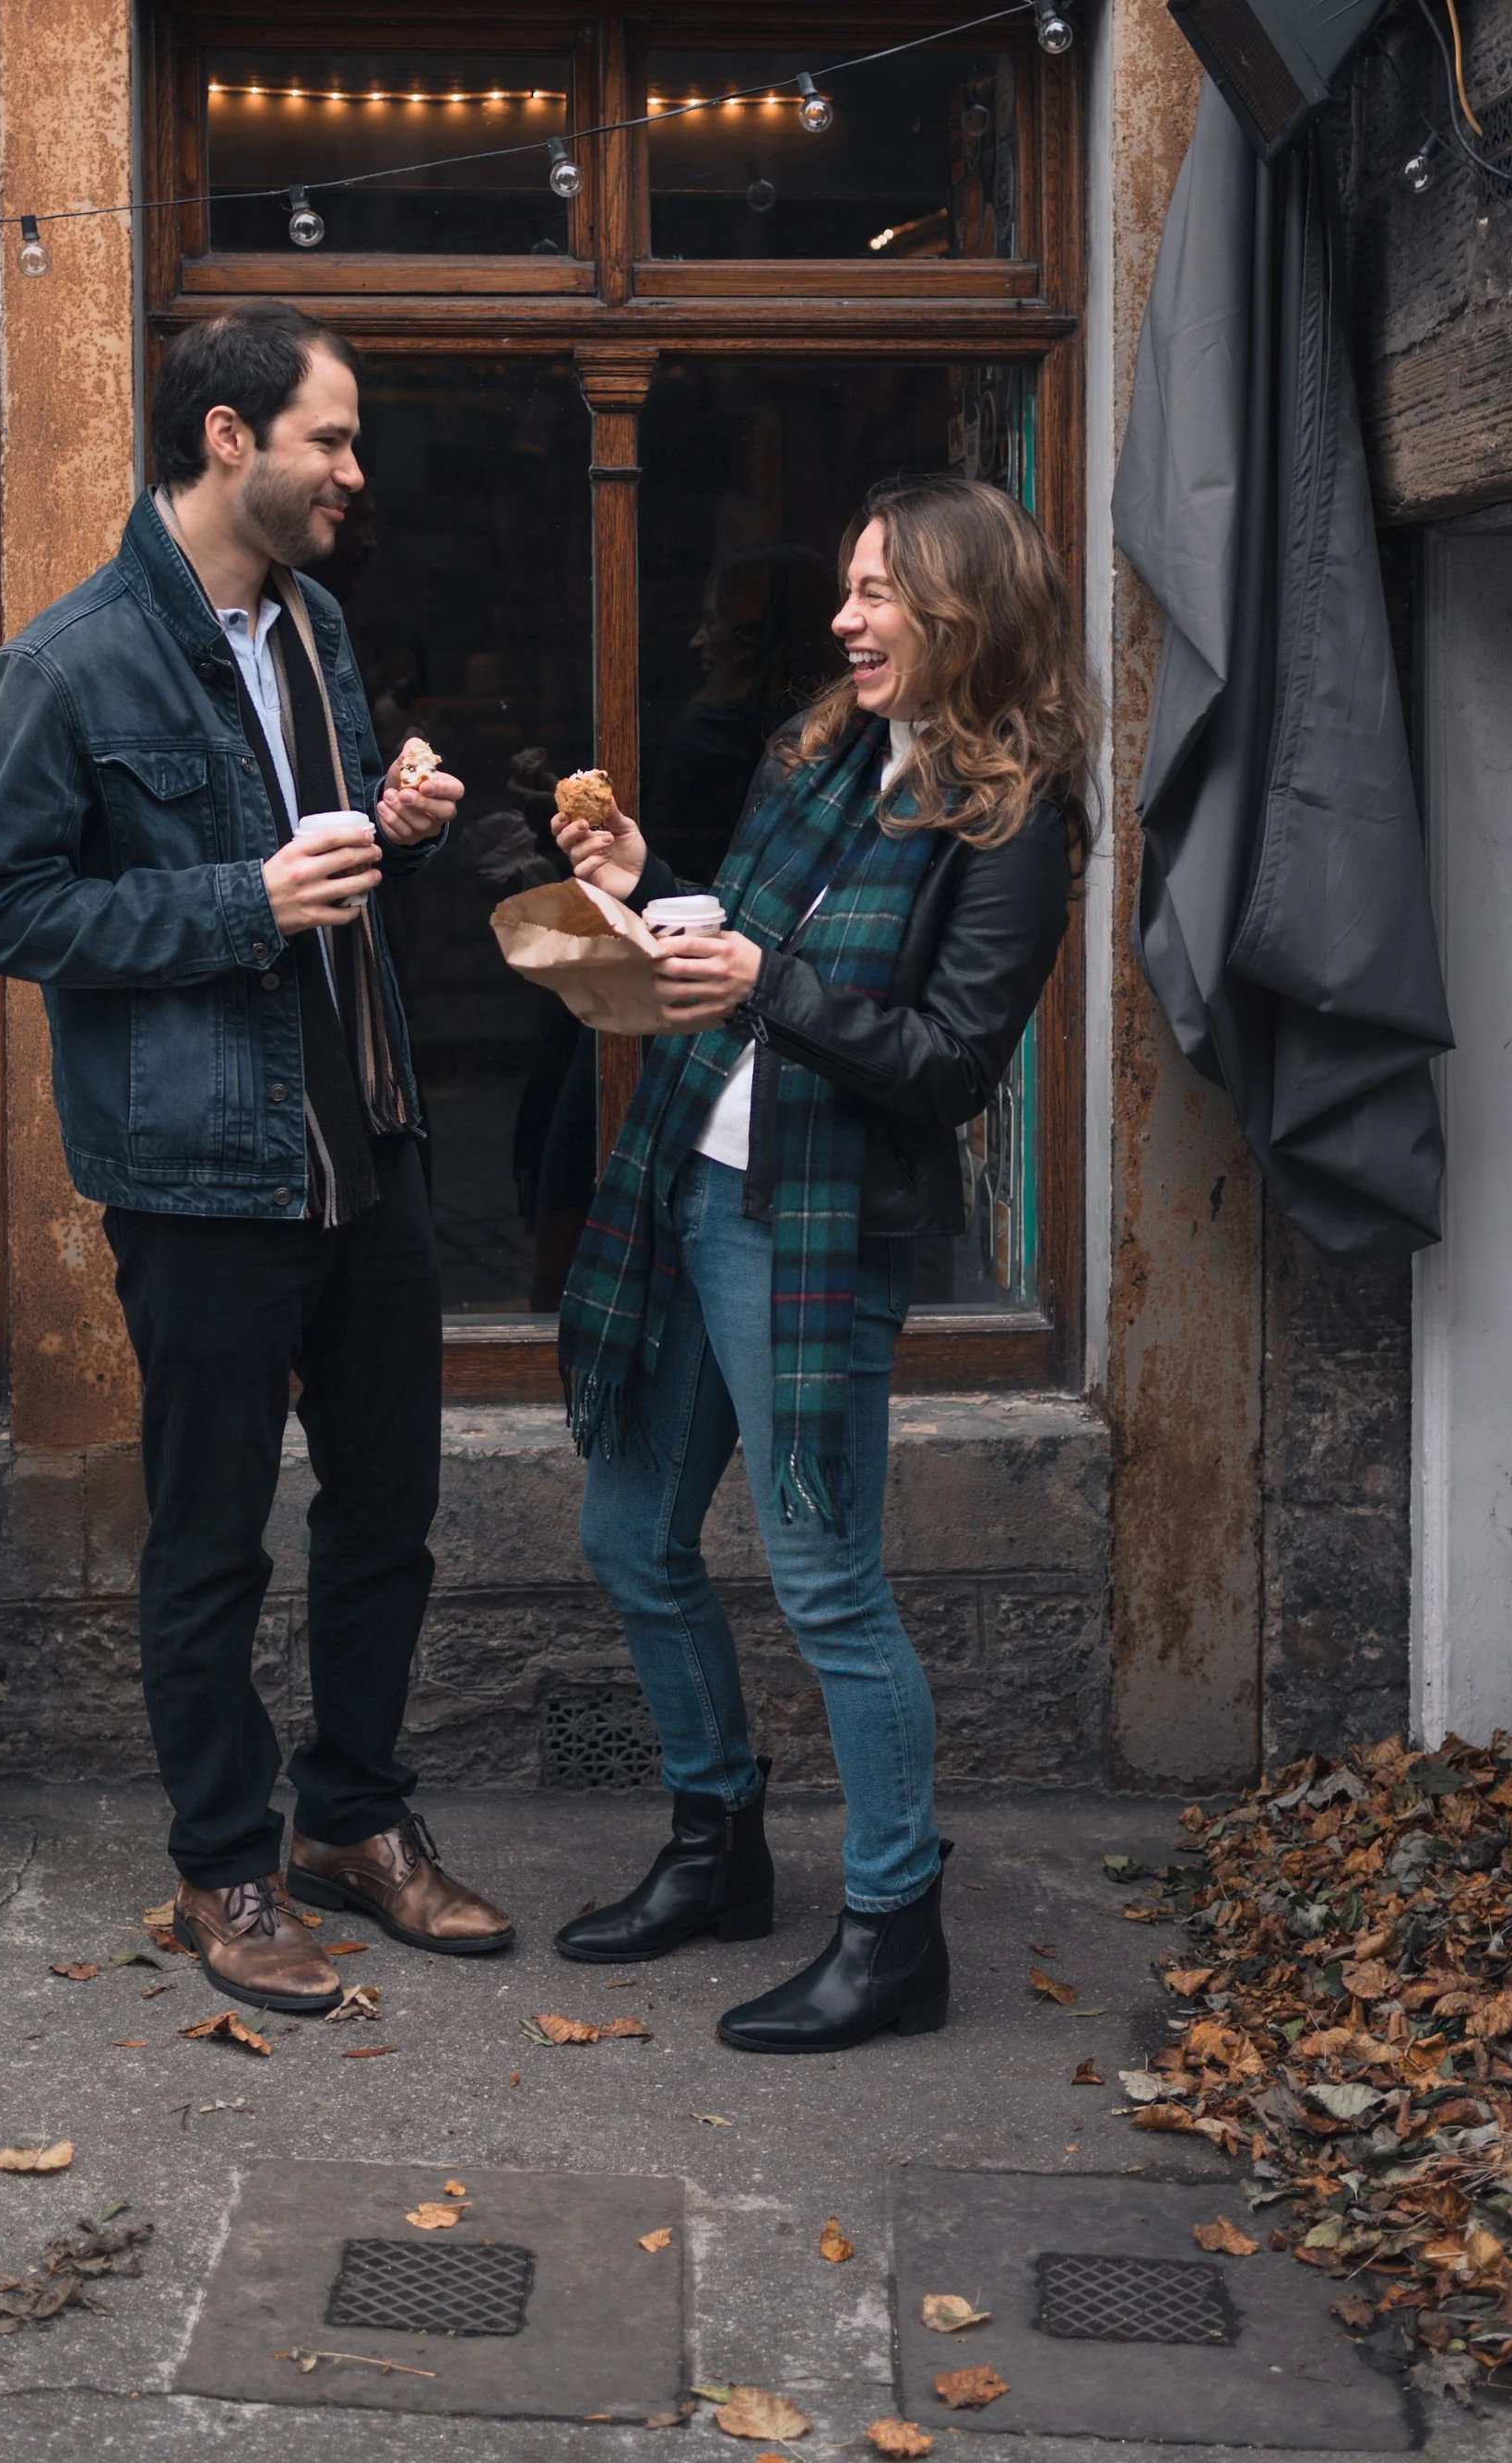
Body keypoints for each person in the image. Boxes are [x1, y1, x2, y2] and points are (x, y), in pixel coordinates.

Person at [0, 304, 513, 2014]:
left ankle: (354, 1821)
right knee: (210, 1540)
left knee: (388, 1514)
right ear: (226, 439)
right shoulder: (67, 665)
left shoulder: (314, 624)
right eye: (329, 439)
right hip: (203, 1174)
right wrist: (239, 901)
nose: (355, 471)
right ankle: (223, 1866)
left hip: (368, 1142)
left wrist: (393, 833)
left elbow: (322, 870)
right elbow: (4, 910)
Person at [549, 473, 1090, 2054]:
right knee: (630, 1534)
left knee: (828, 1585)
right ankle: (717, 1844)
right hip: (691, 1187)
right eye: (848, 589)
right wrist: (645, 887)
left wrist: (765, 980)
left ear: (962, 612)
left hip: (807, 1238)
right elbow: (738, 947)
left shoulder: (1011, 821)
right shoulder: (831, 757)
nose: (845, 620)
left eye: (876, 593)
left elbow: (950, 1063)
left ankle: (893, 1928)